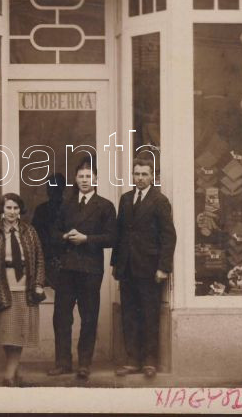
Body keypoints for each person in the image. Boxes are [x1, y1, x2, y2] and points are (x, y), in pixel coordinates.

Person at [48, 158, 117, 381]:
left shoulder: (105, 206)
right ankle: (63, 362)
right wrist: (64, 236)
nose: (85, 180)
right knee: (61, 317)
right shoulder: (66, 205)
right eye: (81, 176)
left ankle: (84, 363)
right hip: (67, 269)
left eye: (89, 176)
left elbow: (112, 237)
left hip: (90, 269)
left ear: (95, 179)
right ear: (75, 179)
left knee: (89, 317)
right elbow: (52, 234)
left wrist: (87, 239)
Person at [110, 156, 176, 378]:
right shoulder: (126, 199)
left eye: (144, 174)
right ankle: (132, 360)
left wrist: (163, 267)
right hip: (127, 267)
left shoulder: (160, 201)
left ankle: (149, 361)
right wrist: (116, 264)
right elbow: (120, 234)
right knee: (129, 314)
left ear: (152, 176)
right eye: (136, 174)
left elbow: (168, 236)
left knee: (149, 314)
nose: (140, 178)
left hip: (150, 268)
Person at [0, 193, 46, 387]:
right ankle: (15, 372)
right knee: (7, 334)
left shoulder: (30, 231)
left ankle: (8, 376)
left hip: (26, 289)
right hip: (4, 289)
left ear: (20, 210)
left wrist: (38, 284)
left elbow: (39, 259)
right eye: (8, 208)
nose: (12, 212)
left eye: (15, 208)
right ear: (2, 210)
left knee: (19, 333)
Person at [31, 173, 67, 288]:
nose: (52, 191)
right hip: (45, 259)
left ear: (63, 188)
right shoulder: (41, 210)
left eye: (56, 187)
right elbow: (35, 236)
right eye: (49, 187)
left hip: (66, 260)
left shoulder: (70, 209)